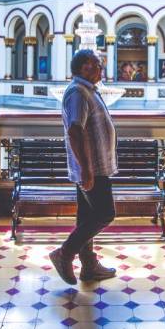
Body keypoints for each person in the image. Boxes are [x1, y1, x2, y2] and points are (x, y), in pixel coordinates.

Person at [49, 49, 118, 284]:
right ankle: (64, 253)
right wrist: (86, 169)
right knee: (105, 213)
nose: (101, 68)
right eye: (97, 65)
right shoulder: (78, 92)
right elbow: (75, 131)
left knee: (87, 215)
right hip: (92, 168)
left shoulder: (87, 90)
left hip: (95, 166)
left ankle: (89, 266)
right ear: (84, 68)